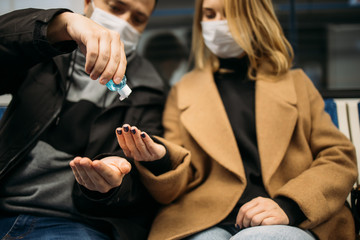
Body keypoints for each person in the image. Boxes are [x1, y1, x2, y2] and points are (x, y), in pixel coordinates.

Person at [113, 0, 358, 239]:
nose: (217, 24)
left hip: (291, 218)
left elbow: (339, 158)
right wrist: (162, 160)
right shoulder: (183, 91)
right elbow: (179, 182)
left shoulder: (297, 84)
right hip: (202, 219)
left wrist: (289, 205)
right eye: (209, 15)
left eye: (230, 14)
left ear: (255, 19)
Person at [0, 0, 167, 239]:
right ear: (88, 3)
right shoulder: (44, 56)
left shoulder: (149, 89)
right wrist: (61, 24)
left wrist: (111, 184)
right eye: (116, 8)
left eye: (138, 20)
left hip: (77, 223)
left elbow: (141, 183)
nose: (123, 23)